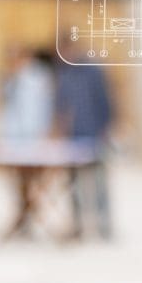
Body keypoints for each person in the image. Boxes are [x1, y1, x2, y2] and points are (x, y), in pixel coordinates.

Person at [0, 46, 56, 238]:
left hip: (35, 136)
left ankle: (28, 216)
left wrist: (47, 133)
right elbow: (2, 109)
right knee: (17, 180)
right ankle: (24, 218)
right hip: (13, 138)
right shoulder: (7, 80)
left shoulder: (40, 79)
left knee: (36, 180)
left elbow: (46, 107)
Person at [55, 46, 114, 240]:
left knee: (98, 181)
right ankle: (78, 224)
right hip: (74, 137)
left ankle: (103, 225)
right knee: (74, 184)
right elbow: (61, 107)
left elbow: (105, 101)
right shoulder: (65, 73)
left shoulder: (93, 71)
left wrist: (106, 128)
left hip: (95, 134)